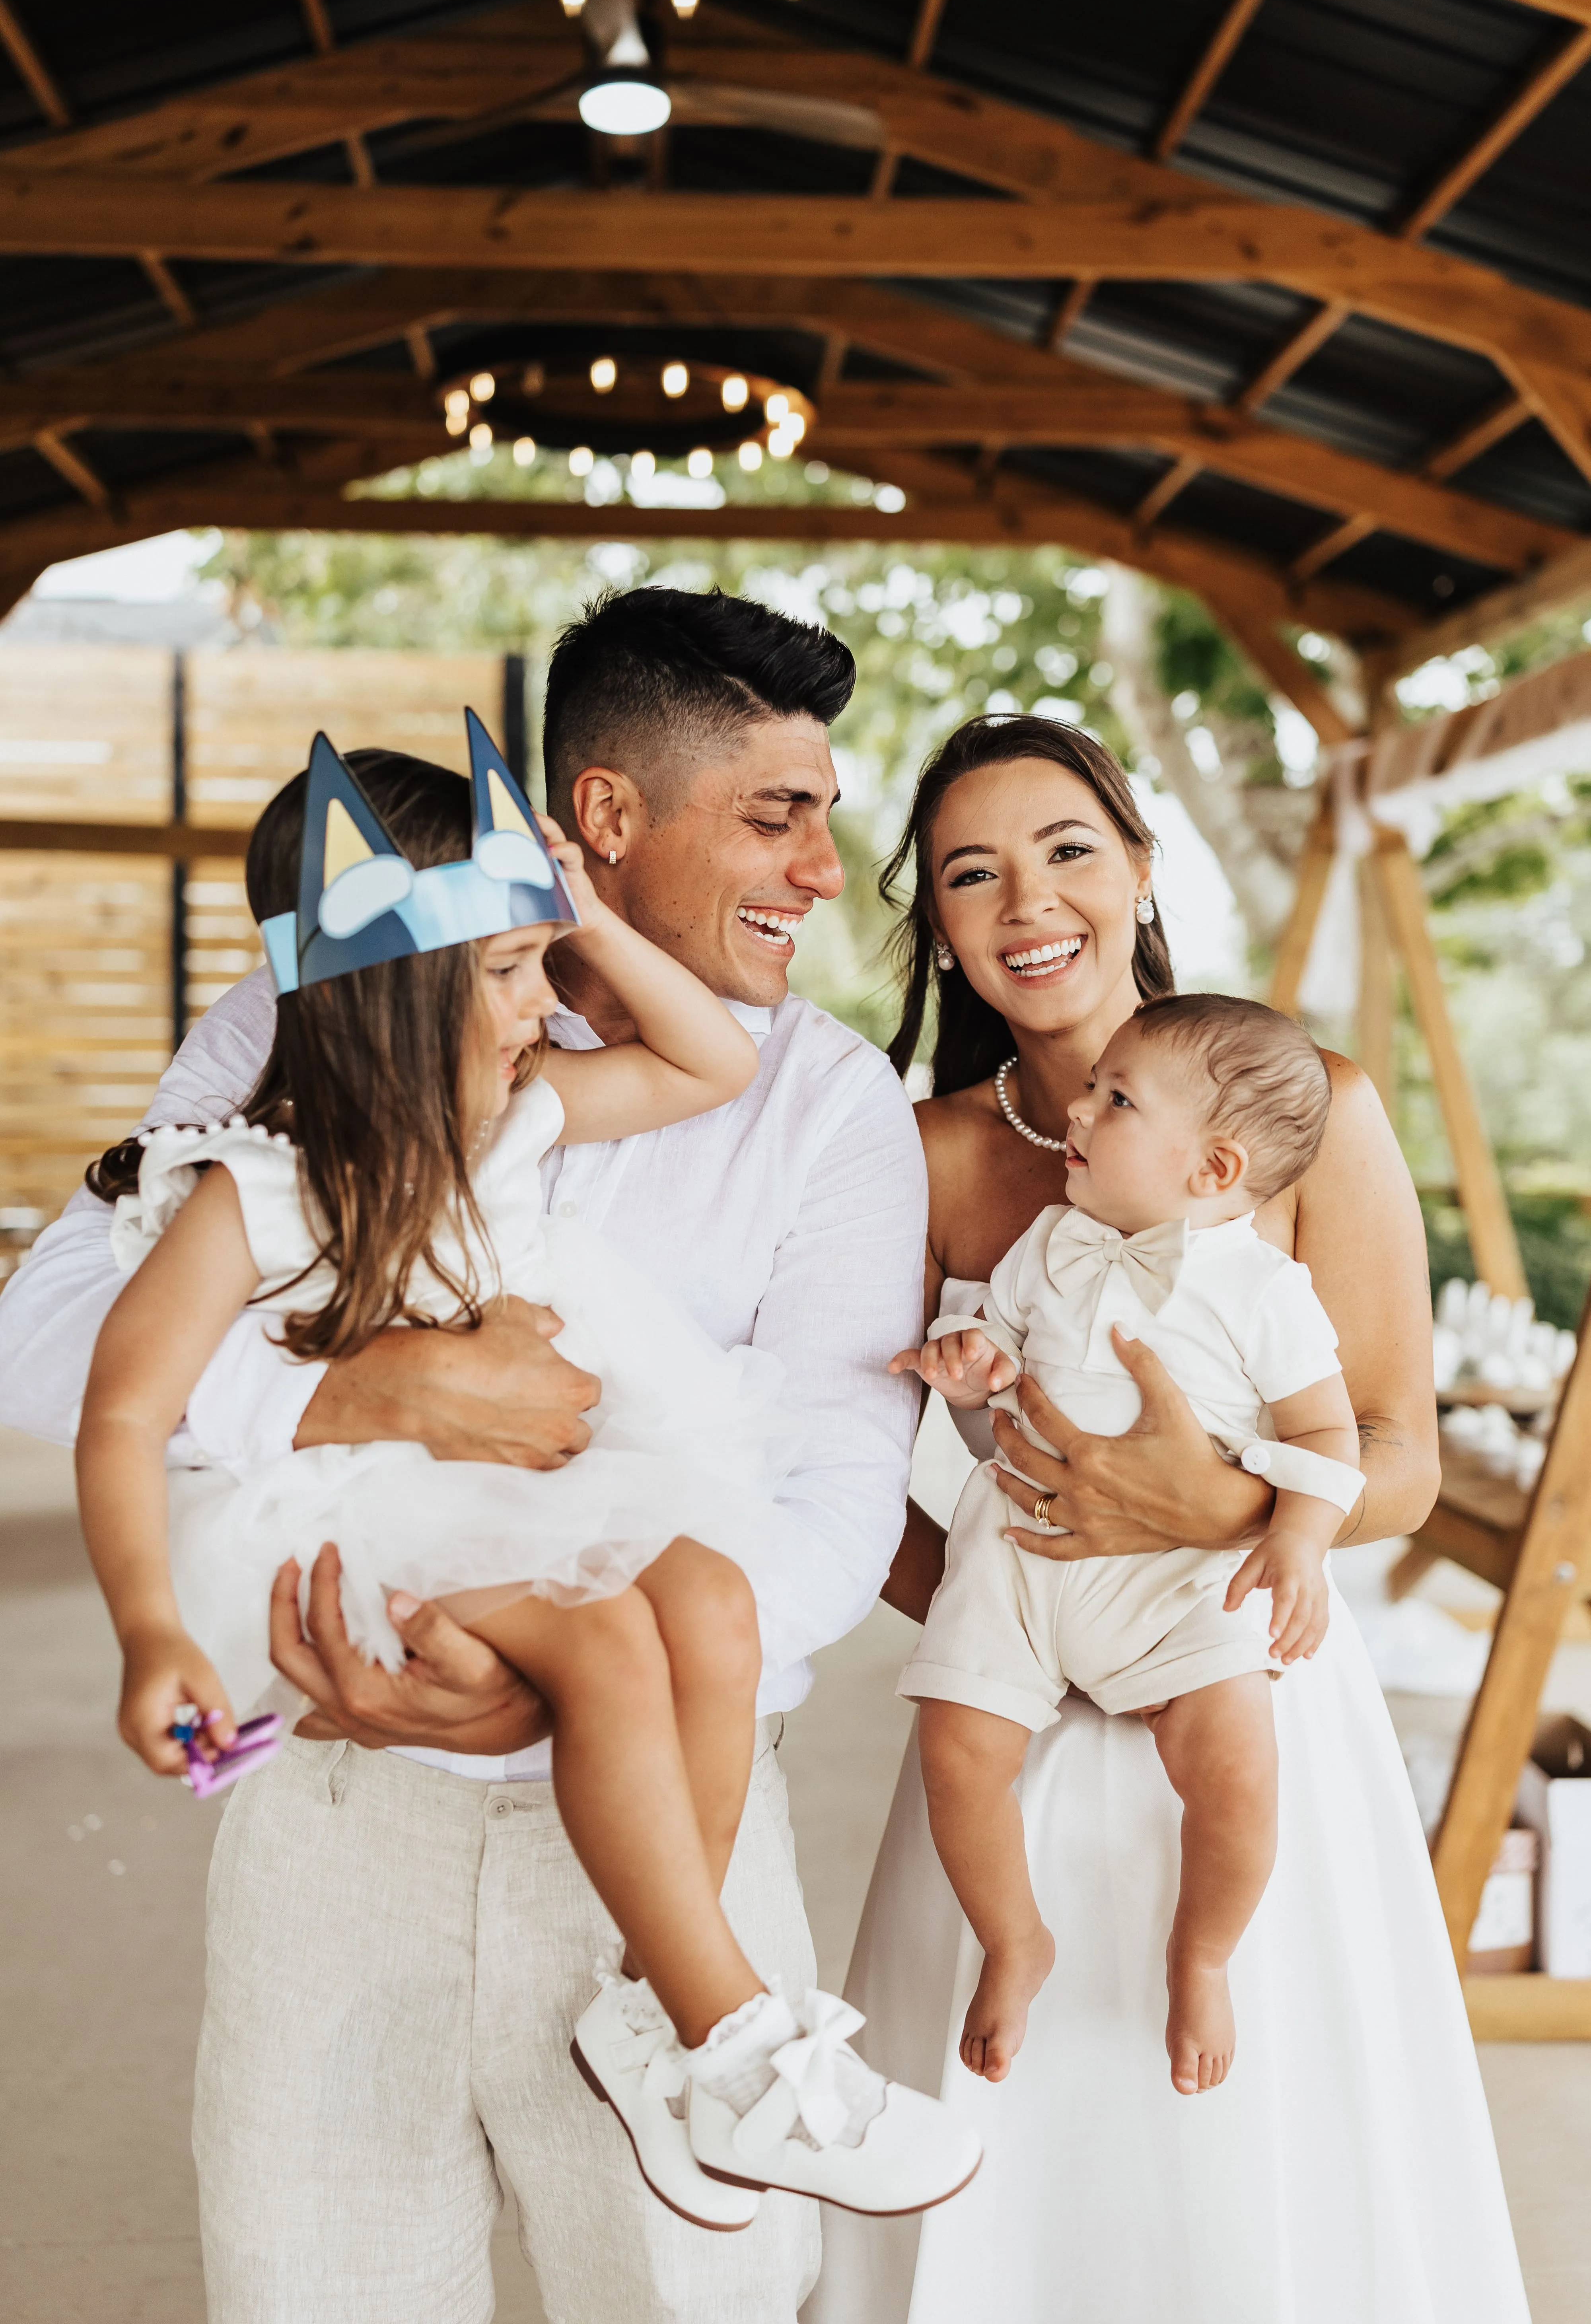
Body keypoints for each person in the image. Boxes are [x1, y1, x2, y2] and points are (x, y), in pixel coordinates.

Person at [0, 586, 936, 2324]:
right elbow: (51, 1341)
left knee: (693, 2305)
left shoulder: (817, 1103)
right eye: (776, 817)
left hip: (673, 1811)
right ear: (603, 820)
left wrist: (559, 1673)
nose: (825, 871)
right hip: (342, 1801)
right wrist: (376, 1397)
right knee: (316, 2285)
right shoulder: (303, 1024)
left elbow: (828, 1489)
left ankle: (698, 2036)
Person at [807, 713, 1531, 2324]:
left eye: (1068, 848)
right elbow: (851, 1473)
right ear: (932, 923)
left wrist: (1220, 1515)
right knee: (1013, 2121)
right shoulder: (914, 1157)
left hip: (1254, 1685)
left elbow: (1397, 1451)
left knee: (1266, 2129)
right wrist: (1016, 1621)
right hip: (1024, 1690)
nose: (1026, 900)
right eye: (968, 872)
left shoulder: (1311, 1109)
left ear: (1140, 869)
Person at [892, 994, 1363, 2095]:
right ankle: (1015, 1941)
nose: (1083, 1112)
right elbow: (997, 1371)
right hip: (1020, 1559)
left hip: (1174, 1581)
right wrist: (975, 1369)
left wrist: (1299, 1537)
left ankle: (1202, 1955)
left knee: (1238, 1767)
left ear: (1212, 1170)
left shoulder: (1264, 1291)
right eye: (1093, 1087)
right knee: (956, 1753)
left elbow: (1325, 1431)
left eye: (1117, 1100)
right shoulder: (1052, 1242)